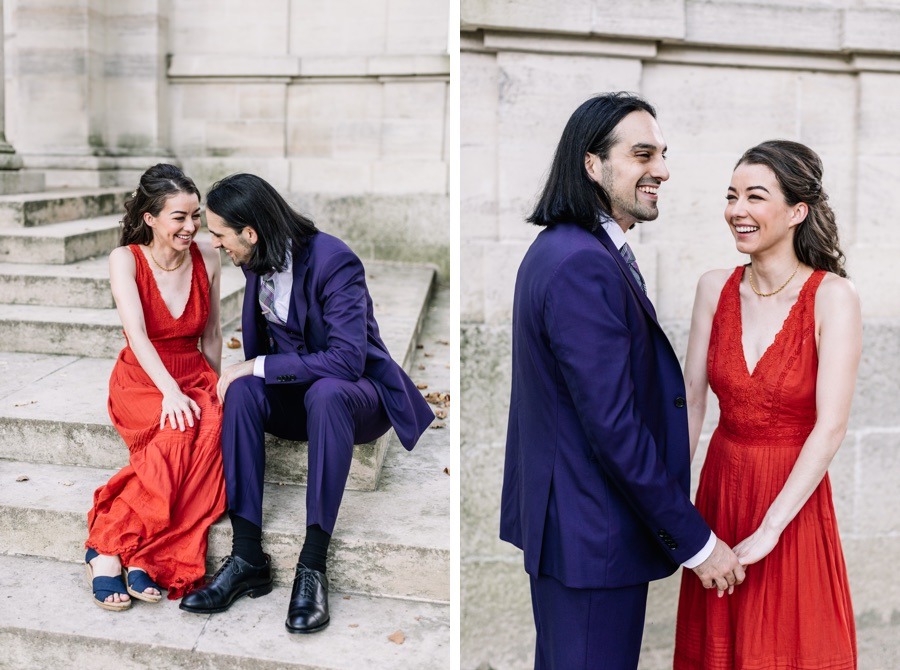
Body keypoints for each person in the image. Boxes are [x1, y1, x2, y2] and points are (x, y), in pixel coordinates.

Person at [500, 91, 745, 669]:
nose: (660, 169)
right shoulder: (581, 263)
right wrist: (699, 543)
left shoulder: (566, 249)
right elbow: (614, 428)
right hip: (592, 538)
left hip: (578, 533)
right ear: (592, 164)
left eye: (661, 154)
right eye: (642, 155)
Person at [178, 173, 435, 633]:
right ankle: (247, 557)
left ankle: (313, 564)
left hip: (357, 397)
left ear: (249, 232)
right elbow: (261, 355)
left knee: (325, 390)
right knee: (240, 389)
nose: (214, 243)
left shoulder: (334, 261)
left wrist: (256, 367)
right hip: (300, 397)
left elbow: (347, 358)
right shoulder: (254, 259)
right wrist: (249, 372)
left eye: (218, 233)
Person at [674, 140, 860, 668]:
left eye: (755, 196)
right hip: (721, 489)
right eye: (731, 196)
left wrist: (771, 528)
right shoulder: (713, 287)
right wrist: (671, 503)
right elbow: (690, 400)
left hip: (791, 499)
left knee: (786, 644)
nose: (737, 210)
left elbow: (831, 427)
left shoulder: (833, 297)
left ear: (797, 211)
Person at [84, 164, 226, 610]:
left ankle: (149, 553)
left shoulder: (210, 258)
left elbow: (213, 335)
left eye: (195, 216)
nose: (191, 227)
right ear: (150, 218)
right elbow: (138, 336)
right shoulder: (125, 259)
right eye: (179, 218)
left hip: (194, 371)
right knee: (177, 432)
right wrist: (170, 392)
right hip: (144, 379)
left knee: (213, 432)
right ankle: (105, 546)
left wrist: (217, 387)